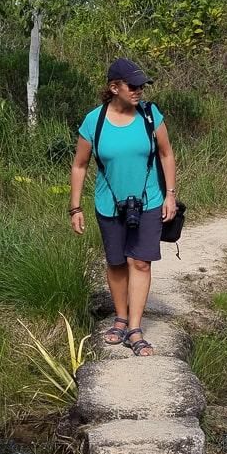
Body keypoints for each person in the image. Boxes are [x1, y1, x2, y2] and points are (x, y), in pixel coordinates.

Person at [69, 57, 177, 356]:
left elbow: (167, 154)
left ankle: (135, 327)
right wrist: (75, 208)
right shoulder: (95, 121)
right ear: (114, 87)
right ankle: (120, 317)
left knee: (140, 262)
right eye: (133, 85)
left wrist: (170, 194)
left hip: (149, 201)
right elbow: (79, 165)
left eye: (142, 85)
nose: (139, 90)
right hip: (109, 204)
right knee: (116, 262)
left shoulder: (151, 115)